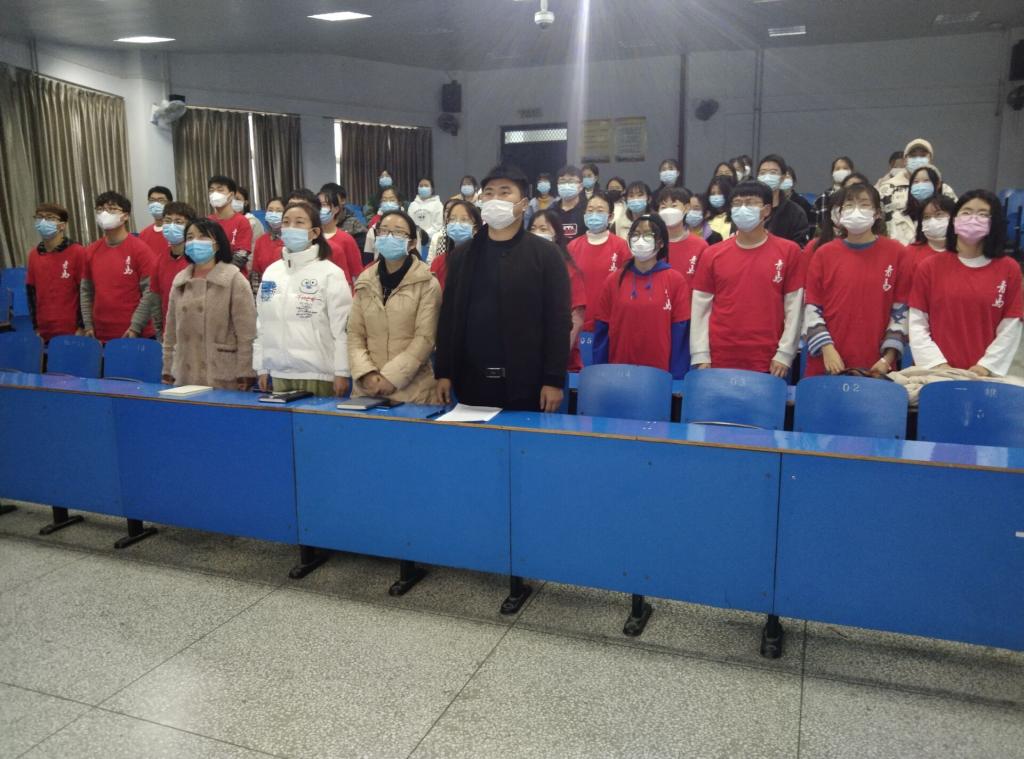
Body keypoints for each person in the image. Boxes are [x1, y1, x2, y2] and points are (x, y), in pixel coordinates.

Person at [434, 163, 571, 411]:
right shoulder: (462, 255)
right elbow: (449, 318)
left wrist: (553, 379)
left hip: (528, 384)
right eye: (489, 193)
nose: (495, 199)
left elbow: (559, 321)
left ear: (523, 203)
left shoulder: (546, 254)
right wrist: (443, 371)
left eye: (505, 192)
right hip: (472, 383)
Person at [690, 181, 803, 376]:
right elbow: (700, 306)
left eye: (750, 203)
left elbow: (794, 306)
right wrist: (701, 354)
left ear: (766, 210)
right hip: (719, 355)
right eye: (737, 203)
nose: (742, 208)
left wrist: (785, 353)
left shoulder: (788, 251)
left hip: (769, 358)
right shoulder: (712, 254)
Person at [909, 190, 1022, 376]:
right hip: (936, 373)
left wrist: (985, 367)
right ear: (954, 219)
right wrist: (938, 365)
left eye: (983, 214)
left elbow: (1011, 325)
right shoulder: (929, 267)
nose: (973, 219)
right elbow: (917, 323)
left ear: (994, 222)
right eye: (966, 212)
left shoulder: (1009, 269)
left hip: (983, 374)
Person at [803, 184, 908, 376]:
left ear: (877, 213)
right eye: (849, 205)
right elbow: (812, 306)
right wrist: (827, 348)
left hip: (877, 365)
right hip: (827, 361)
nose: (856, 211)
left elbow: (901, 310)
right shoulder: (824, 253)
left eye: (864, 204)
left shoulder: (897, 252)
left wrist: (887, 358)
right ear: (840, 213)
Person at [253, 200, 352, 397]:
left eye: (299, 222)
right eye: (286, 222)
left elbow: (342, 328)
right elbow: (262, 323)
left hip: (319, 375)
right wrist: (261, 366)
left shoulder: (330, 273)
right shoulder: (271, 273)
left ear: (314, 232)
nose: (291, 227)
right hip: (279, 374)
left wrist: (342, 371)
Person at [347, 209, 441, 403]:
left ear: (412, 243)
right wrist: (367, 374)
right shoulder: (365, 281)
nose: (389, 237)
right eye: (384, 231)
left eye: (398, 232)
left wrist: (391, 378)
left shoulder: (427, 283)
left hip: (414, 391)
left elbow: (425, 338)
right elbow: (355, 334)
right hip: (368, 389)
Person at [161, 218, 257, 390]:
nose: (195, 242)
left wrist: (245, 371)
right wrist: (168, 368)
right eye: (190, 237)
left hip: (222, 373)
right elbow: (170, 331)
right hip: (185, 373)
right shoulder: (180, 280)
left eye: (202, 236)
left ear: (217, 244)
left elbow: (247, 332)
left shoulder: (233, 279)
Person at [593, 214, 691, 379]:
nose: (640, 240)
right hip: (619, 372)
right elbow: (602, 330)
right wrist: (600, 372)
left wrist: (676, 379)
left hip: (659, 375)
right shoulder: (613, 280)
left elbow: (680, 335)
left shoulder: (675, 280)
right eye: (636, 234)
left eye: (647, 235)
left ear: (660, 242)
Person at [80, 191, 155, 342]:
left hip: (135, 334)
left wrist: (135, 327)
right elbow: (86, 291)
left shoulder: (140, 250)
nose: (104, 213)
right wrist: (88, 325)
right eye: (100, 209)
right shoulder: (91, 251)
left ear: (125, 216)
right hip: (100, 334)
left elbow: (150, 291)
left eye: (111, 209)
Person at [129, 201, 196, 339]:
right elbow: (153, 297)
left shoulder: (198, 258)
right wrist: (136, 326)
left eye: (178, 222)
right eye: (168, 221)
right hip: (169, 334)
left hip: (195, 334)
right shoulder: (160, 260)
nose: (171, 226)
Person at [530, 209, 586, 371]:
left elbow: (576, 318)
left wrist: (557, 356)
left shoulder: (569, 270)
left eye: (543, 229)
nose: (537, 233)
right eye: (533, 229)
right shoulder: (521, 266)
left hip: (560, 361)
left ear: (556, 235)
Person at [567, 190, 631, 331]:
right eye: (590, 210)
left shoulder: (621, 247)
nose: (594, 214)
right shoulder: (572, 247)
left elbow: (627, 287)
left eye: (600, 210)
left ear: (610, 216)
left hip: (611, 322)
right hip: (578, 324)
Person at [25, 203, 86, 342]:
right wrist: (36, 327)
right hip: (44, 329)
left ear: (62, 225)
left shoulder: (78, 252)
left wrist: (82, 326)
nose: (43, 222)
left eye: (50, 218)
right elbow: (31, 293)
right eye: (40, 217)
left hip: (72, 330)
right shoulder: (33, 255)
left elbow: (85, 292)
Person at [876, 138, 956, 243]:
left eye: (923, 155)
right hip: (897, 246)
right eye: (913, 156)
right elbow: (878, 221)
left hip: (936, 245)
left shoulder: (944, 189)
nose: (918, 159)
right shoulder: (887, 188)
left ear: (930, 159)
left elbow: (956, 219)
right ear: (905, 160)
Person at [657, 187, 709, 284]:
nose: (668, 211)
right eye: (663, 207)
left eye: (674, 206)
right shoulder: (653, 244)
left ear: (687, 208)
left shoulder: (700, 245)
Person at [755, 154, 809, 245]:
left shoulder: (795, 212)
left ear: (782, 178)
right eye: (763, 173)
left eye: (773, 172)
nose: (767, 177)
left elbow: (800, 245)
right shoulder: (749, 209)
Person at [429, 200, 481, 289]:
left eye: (464, 220)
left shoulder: (484, 260)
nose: (457, 224)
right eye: (452, 219)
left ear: (475, 227)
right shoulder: (439, 261)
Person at [318, 186, 363, 285]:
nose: (320, 209)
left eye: (324, 205)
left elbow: (356, 273)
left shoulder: (346, 239)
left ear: (336, 209)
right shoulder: (311, 237)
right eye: (317, 205)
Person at [904, 195, 955, 284]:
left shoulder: (966, 250)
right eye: (926, 217)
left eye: (938, 214)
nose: (932, 221)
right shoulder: (910, 252)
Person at [207, 175, 253, 271]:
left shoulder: (242, 221)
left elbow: (241, 255)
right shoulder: (207, 222)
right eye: (211, 190)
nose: (215, 194)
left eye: (220, 190)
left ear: (231, 195)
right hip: (207, 274)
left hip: (233, 275)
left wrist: (219, 272)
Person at [891, 165, 945, 245]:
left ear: (937, 185)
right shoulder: (898, 216)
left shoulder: (945, 213)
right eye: (916, 182)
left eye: (926, 181)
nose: (920, 185)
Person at [812, 157, 854, 236]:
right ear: (832, 173)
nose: (841, 171)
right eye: (837, 169)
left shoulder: (860, 196)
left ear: (852, 172)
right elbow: (816, 227)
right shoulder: (823, 198)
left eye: (845, 168)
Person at [251, 197, 285, 294]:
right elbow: (256, 274)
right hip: (267, 292)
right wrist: (258, 296)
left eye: (279, 211)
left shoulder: (292, 240)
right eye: (270, 210)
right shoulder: (260, 241)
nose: (274, 214)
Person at [363, 187, 403, 259]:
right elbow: (368, 257)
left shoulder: (408, 226)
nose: (388, 203)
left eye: (392, 200)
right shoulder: (374, 229)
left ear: (399, 203)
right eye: (384, 200)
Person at [407, 177, 445, 249]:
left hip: (432, 243)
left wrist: (425, 235)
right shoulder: (412, 205)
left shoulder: (438, 205)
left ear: (432, 189)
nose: (423, 188)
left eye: (426, 186)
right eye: (421, 186)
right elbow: (409, 223)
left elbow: (438, 225)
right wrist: (417, 236)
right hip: (415, 243)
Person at [552, 165, 587, 242]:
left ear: (581, 186)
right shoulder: (551, 211)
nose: (566, 185)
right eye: (562, 181)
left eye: (571, 181)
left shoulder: (588, 210)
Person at [138, 186, 173, 258]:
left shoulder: (177, 232)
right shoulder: (143, 235)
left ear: (170, 203)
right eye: (152, 200)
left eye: (161, 200)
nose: (156, 204)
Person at [705, 176, 735, 240]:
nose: (716, 196)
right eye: (713, 193)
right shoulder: (705, 216)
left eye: (720, 193)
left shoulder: (734, 216)